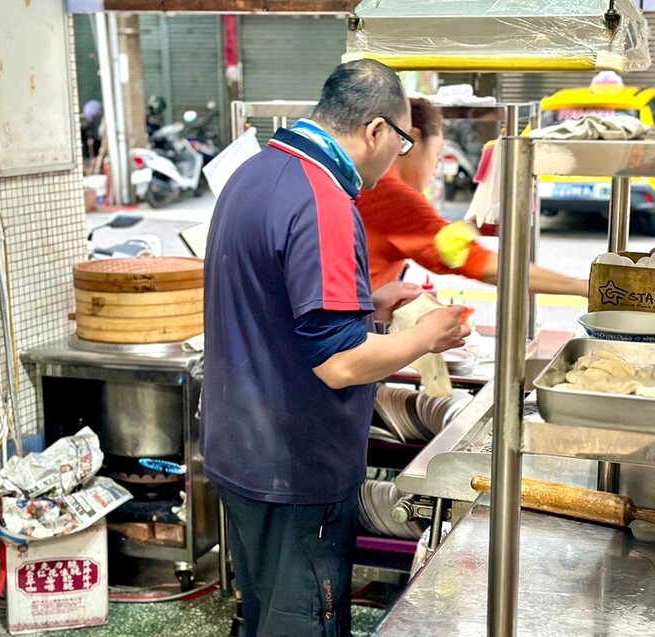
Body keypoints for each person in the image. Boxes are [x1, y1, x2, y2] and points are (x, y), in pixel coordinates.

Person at [201, 60, 470, 637]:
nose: (398, 158)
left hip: (239, 448)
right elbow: (340, 363)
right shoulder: (323, 199)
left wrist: (369, 306)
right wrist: (426, 336)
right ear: (375, 131)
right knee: (303, 624)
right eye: (402, 142)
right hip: (293, 465)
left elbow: (274, 303)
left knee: (264, 615)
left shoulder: (257, 171)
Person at [357, 97, 589, 297]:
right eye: (436, 155)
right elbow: (481, 263)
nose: (435, 170)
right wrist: (581, 287)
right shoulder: (392, 194)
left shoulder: (361, 174)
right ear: (412, 138)